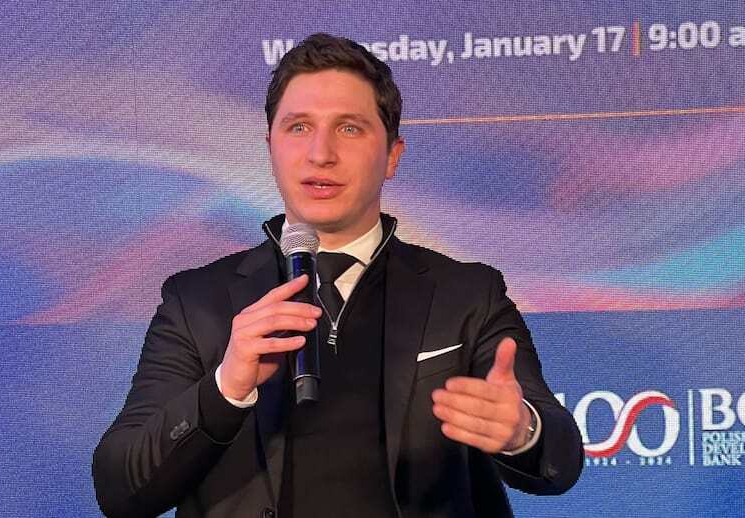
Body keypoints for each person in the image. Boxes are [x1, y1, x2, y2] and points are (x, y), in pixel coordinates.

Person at [93, 33, 583, 518]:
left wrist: (522, 431)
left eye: (349, 128)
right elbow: (120, 489)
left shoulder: (468, 294)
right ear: (270, 148)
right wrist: (225, 390)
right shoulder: (196, 301)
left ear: (392, 155)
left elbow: (560, 460)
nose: (320, 153)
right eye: (298, 127)